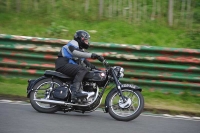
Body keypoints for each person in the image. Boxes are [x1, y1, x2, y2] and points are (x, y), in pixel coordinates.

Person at [55, 30, 104, 102]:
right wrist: (93, 55)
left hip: (68, 65)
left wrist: (99, 70)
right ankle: (75, 92)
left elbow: (87, 64)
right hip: (63, 64)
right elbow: (75, 53)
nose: (87, 42)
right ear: (80, 39)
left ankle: (82, 94)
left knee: (86, 72)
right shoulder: (72, 44)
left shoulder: (80, 49)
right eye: (86, 40)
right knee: (82, 70)